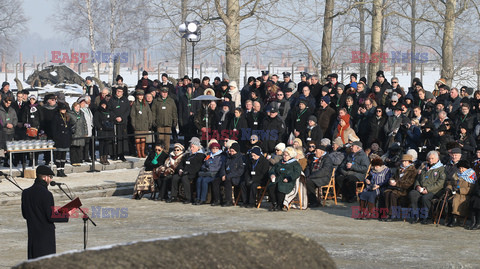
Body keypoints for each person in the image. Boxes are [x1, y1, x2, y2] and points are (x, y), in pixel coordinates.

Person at [21, 165, 69, 259]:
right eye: (50, 177)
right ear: (45, 177)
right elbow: (51, 216)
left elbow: (25, 214)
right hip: (45, 237)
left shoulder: (26, 192)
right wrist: (66, 214)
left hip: (32, 236)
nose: (50, 180)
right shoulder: (47, 194)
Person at [408, 151, 446, 224]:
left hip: (434, 191)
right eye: (429, 158)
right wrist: (417, 186)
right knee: (413, 194)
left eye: (432, 158)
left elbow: (440, 183)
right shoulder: (425, 167)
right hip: (421, 188)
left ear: (437, 159)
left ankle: (427, 217)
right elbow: (418, 179)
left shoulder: (441, 169)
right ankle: (416, 216)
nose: (430, 160)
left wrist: (427, 189)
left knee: (425, 198)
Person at [168, 137, 206, 203]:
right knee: (175, 177)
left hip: (192, 173)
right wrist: (180, 169)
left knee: (184, 178)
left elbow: (197, 167)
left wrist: (187, 172)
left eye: (193, 147)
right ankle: (173, 196)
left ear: (198, 148)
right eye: (191, 147)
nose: (191, 148)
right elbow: (181, 163)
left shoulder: (201, 156)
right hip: (183, 172)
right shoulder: (188, 155)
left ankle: (188, 198)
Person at [382, 154, 417, 221]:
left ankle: (393, 214)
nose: (403, 163)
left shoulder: (413, 171)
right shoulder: (399, 169)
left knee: (393, 194)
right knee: (387, 193)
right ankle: (387, 213)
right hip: (395, 188)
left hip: (404, 190)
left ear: (410, 162)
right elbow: (393, 177)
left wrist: (397, 183)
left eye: (405, 161)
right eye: (403, 161)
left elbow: (409, 183)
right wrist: (391, 180)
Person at [267, 147, 302, 211]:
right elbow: (273, 169)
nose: (284, 156)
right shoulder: (280, 162)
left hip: (287, 180)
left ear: (290, 156)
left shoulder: (295, 163)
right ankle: (274, 203)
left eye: (286, 155)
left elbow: (297, 173)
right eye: (283, 155)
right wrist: (272, 174)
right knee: (271, 187)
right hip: (278, 179)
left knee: (281, 188)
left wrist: (289, 178)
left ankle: (280, 206)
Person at [212, 142, 244, 207]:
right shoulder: (228, 158)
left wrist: (228, 176)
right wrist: (223, 174)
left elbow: (240, 171)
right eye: (230, 151)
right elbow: (223, 167)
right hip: (226, 175)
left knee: (227, 181)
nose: (231, 153)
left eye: (233, 151)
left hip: (235, 177)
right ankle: (217, 199)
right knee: (215, 181)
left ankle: (228, 201)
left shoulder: (241, 158)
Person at [445, 160, 476, 227]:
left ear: (467, 168)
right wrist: (449, 188)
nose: (461, 170)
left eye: (463, 168)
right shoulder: (456, 175)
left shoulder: (471, 176)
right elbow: (451, 183)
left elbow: (470, 189)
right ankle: (452, 217)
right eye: (459, 168)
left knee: (456, 200)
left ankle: (455, 219)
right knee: (451, 200)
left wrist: (460, 190)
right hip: (455, 194)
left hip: (464, 195)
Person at [108, 87, 130, 162]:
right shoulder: (112, 100)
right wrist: (115, 117)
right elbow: (109, 110)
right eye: (117, 91)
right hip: (114, 122)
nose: (118, 93)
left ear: (122, 92)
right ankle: (114, 154)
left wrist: (122, 118)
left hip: (122, 122)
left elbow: (127, 110)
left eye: (120, 91)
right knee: (114, 139)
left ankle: (121, 154)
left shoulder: (125, 100)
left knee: (122, 139)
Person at [152, 86, 178, 151]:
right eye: (163, 92)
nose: (164, 94)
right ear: (160, 93)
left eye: (166, 92)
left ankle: (166, 152)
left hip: (168, 123)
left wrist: (175, 120)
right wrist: (153, 121)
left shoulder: (171, 101)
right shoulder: (156, 101)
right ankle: (160, 152)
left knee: (167, 140)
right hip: (159, 123)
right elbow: (153, 112)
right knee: (160, 140)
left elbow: (174, 112)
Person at [130, 90, 153, 158]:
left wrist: (149, 122)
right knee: (137, 139)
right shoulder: (134, 104)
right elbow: (132, 115)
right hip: (137, 124)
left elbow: (149, 114)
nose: (141, 96)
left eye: (142, 95)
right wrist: (133, 124)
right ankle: (139, 153)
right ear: (137, 96)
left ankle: (143, 153)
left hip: (144, 124)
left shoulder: (146, 104)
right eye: (139, 95)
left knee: (143, 139)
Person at [52, 102, 72, 177]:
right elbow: (54, 128)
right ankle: (58, 170)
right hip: (59, 138)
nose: (64, 110)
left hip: (66, 138)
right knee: (58, 155)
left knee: (64, 155)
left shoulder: (67, 117)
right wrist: (56, 137)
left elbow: (69, 127)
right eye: (62, 109)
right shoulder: (56, 117)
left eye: (64, 109)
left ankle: (62, 169)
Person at [94, 100, 114, 165]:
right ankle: (101, 157)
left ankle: (105, 157)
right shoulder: (98, 112)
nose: (103, 106)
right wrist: (100, 127)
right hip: (101, 130)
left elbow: (112, 119)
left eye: (104, 105)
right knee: (101, 144)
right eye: (102, 105)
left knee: (106, 144)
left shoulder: (109, 112)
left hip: (108, 130)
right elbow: (96, 120)